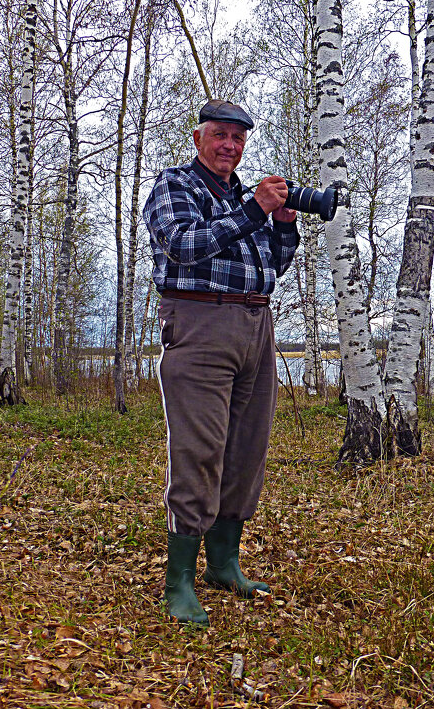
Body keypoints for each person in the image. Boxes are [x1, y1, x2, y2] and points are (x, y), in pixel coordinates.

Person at [142, 99, 300, 625]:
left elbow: (272, 263)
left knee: (247, 450)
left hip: (257, 325)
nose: (229, 145)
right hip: (199, 323)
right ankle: (179, 582)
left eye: (237, 137)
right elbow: (186, 246)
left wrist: (280, 224)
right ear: (198, 138)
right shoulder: (174, 187)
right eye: (220, 135)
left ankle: (223, 564)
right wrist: (255, 210)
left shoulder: (241, 196)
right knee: (200, 450)